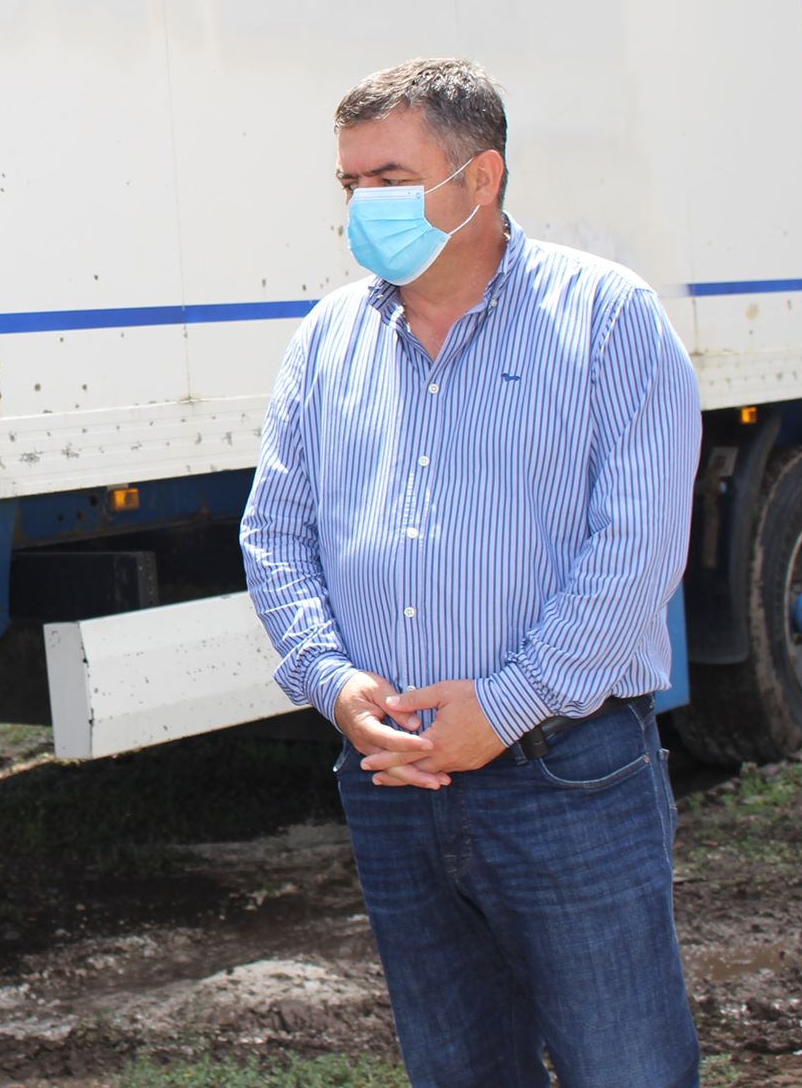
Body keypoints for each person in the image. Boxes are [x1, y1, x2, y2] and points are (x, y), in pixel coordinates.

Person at [240, 60, 703, 1087]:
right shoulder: (328, 340)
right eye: (350, 183)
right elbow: (274, 534)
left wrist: (505, 705)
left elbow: (635, 551)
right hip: (394, 778)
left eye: (389, 179)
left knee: (624, 1065)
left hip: (565, 771)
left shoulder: (605, 317)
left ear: (480, 176)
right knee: (457, 1068)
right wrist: (333, 682)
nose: (363, 207)